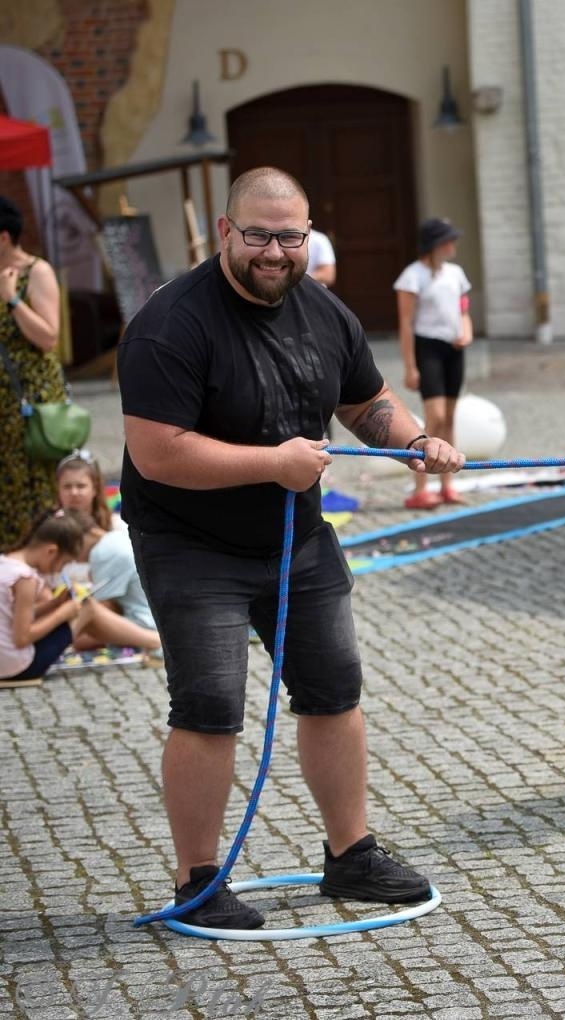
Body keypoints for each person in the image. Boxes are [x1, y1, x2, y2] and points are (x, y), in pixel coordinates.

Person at [118, 166, 466, 930]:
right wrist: (273, 463)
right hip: (190, 543)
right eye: (259, 236)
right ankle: (199, 883)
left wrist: (413, 440)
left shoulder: (324, 311)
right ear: (224, 234)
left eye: (291, 237)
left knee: (334, 690)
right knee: (208, 707)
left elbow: (365, 398)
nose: (275, 252)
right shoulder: (169, 325)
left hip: (296, 540)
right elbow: (158, 453)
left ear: (308, 237)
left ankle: (351, 855)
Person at [0, 195, 67, 548]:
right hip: (2, 407)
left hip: (30, 402)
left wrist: (12, 300)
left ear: (4, 237)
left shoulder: (35, 271)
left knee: (35, 486)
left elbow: (48, 336)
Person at [394, 218, 473, 509]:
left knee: (450, 418)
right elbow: (405, 322)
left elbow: (463, 309)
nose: (453, 245)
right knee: (434, 417)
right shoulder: (412, 276)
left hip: (454, 349)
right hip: (428, 349)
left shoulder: (456, 273)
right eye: (448, 240)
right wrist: (410, 366)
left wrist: (466, 331)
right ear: (433, 245)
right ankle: (421, 486)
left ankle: (447, 484)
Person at [55, 454, 160, 652]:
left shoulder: (108, 543)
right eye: (67, 487)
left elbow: (101, 608)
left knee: (72, 636)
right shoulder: (56, 527)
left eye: (81, 486)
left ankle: (152, 641)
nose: (74, 493)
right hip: (113, 608)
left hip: (133, 617)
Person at [1, 510, 96, 682]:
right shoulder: (25, 579)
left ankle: (149, 641)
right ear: (51, 551)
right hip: (16, 668)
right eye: (64, 563)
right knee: (86, 608)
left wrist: (53, 605)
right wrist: (63, 614)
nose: (60, 570)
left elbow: (13, 616)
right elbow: (21, 638)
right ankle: (151, 642)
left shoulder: (6, 563)